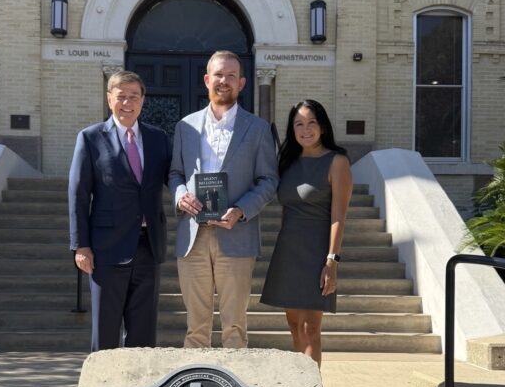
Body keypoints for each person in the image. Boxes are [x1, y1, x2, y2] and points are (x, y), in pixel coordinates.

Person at [169, 50, 279, 348]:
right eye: (218, 74)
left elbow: (269, 180)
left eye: (231, 75)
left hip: (237, 233)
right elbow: (176, 173)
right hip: (194, 236)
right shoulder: (185, 126)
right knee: (195, 327)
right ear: (207, 80)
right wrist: (180, 196)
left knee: (234, 326)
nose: (224, 81)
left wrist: (242, 210)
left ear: (242, 83)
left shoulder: (256, 128)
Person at [68, 69, 171, 352]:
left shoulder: (158, 138)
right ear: (109, 98)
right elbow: (78, 193)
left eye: (134, 97)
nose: (128, 103)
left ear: (143, 100)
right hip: (106, 249)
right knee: (106, 331)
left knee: (143, 332)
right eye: (121, 96)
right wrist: (81, 245)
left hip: (149, 247)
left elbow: (175, 178)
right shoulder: (90, 138)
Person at [260, 99, 353, 366]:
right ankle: (300, 383)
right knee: (292, 324)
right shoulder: (287, 161)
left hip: (317, 252)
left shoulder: (337, 162)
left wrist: (331, 261)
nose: (305, 129)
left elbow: (339, 216)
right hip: (288, 248)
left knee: (311, 327)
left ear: (322, 126)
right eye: (299, 124)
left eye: (311, 122)